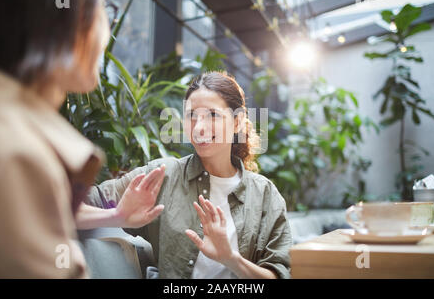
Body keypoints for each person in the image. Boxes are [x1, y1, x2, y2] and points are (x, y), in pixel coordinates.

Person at [0, 0, 165, 278]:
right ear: (64, 22)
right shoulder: (19, 154)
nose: (108, 31)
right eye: (104, 9)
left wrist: (117, 215)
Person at [86, 71, 292, 279]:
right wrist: (116, 216)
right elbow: (79, 201)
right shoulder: (162, 177)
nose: (199, 128)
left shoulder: (264, 194)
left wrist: (230, 258)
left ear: (237, 122)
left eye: (213, 115)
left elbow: (279, 274)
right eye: (192, 116)